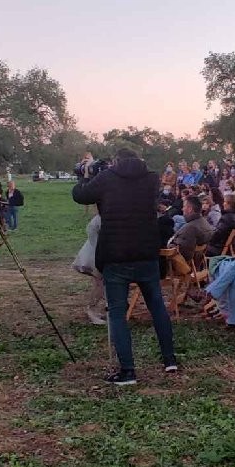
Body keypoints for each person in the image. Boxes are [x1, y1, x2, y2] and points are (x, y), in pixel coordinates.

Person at [72, 149, 177, 384]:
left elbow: (80, 195)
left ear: (116, 161)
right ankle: (169, 359)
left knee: (117, 313)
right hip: (147, 252)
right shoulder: (152, 178)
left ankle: (128, 371)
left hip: (116, 255)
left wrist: (87, 175)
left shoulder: (107, 178)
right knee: (157, 306)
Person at [73, 213, 106, 325]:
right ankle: (91, 310)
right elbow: (92, 234)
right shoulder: (100, 218)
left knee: (100, 285)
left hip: (98, 255)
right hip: (95, 256)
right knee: (99, 285)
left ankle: (94, 310)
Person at [169, 195, 212, 264]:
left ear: (190, 209)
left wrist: (167, 246)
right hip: (196, 264)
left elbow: (183, 254)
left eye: (184, 206)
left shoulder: (190, 228)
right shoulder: (204, 223)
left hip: (182, 266)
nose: (182, 209)